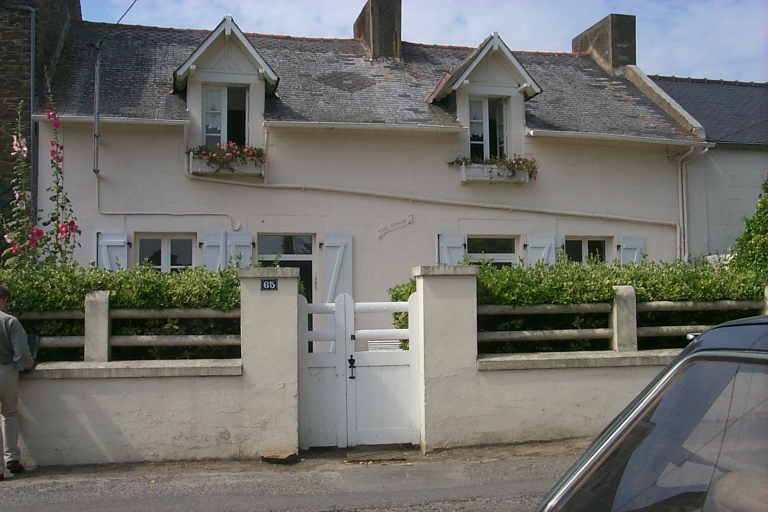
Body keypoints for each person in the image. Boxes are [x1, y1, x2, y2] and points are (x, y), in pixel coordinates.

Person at [0, 284, 33, 480]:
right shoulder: (10, 321)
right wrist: (27, 365)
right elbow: (21, 353)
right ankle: (12, 457)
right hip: (5, 370)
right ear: (3, 300)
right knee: (9, 413)